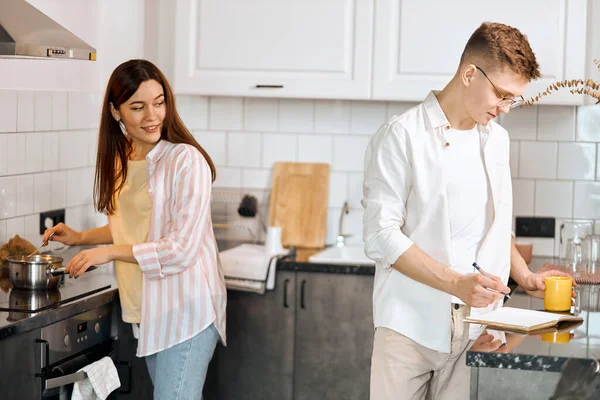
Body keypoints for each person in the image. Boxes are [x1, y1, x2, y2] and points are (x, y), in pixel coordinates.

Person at [362, 22, 573, 399]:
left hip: (479, 330)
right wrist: (456, 284)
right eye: (502, 96)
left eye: (514, 100)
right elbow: (380, 236)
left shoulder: (496, 140)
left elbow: (493, 222)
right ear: (470, 74)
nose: (505, 109)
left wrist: (523, 276)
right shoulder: (402, 135)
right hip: (409, 328)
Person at [43, 59, 226, 400]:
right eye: (137, 107)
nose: (152, 116)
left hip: (185, 308)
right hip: (147, 308)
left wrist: (108, 253)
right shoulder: (121, 158)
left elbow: (179, 249)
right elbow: (133, 228)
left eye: (159, 103)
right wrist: (82, 238)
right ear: (116, 112)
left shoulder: (185, 160)